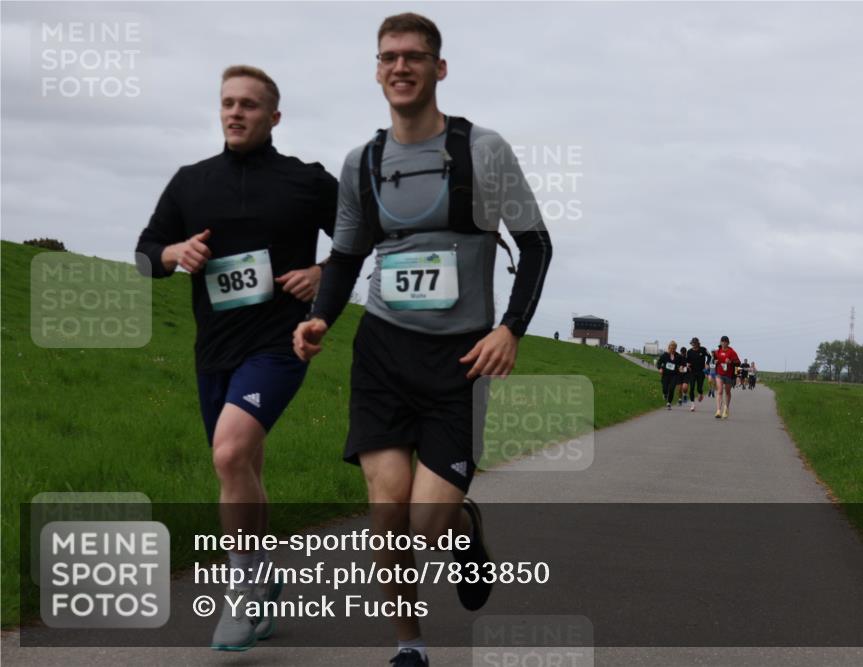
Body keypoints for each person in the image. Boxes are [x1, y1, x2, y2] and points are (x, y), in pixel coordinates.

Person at [292, 13, 553, 667]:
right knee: (387, 514)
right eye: (388, 57)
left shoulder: (482, 151)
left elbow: (536, 244)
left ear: (439, 68)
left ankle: (464, 528)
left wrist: (510, 328)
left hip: (459, 360)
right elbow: (346, 256)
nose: (400, 66)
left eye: (413, 56)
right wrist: (322, 316)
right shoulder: (363, 163)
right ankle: (409, 644)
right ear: (377, 70)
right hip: (383, 351)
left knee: (425, 526)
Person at [135, 66, 338, 651]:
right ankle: (265, 579)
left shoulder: (307, 181)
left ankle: (243, 592)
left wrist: (322, 273)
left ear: (274, 117)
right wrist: (175, 252)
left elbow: (362, 241)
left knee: (228, 452)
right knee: (241, 466)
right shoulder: (190, 182)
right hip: (214, 348)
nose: (235, 112)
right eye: (227, 102)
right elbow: (145, 257)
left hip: (280, 343)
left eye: (249, 104)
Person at [713, 335, 741, 419]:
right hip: (719, 374)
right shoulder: (717, 352)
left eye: (726, 342)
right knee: (720, 390)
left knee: (727, 392)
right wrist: (714, 362)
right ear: (720, 342)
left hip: (729, 375)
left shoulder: (732, 352)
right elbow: (713, 361)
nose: (724, 343)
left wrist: (731, 362)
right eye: (722, 341)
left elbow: (738, 364)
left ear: (728, 343)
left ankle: (726, 408)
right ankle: (718, 410)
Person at [684, 337, 712, 411]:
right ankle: (692, 404)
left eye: (695, 343)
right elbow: (686, 360)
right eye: (692, 343)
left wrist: (707, 363)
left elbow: (709, 356)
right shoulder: (689, 351)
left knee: (699, 388)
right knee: (692, 387)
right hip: (692, 372)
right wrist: (687, 365)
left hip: (701, 371)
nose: (694, 344)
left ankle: (700, 393)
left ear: (698, 343)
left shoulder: (703, 349)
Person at [656, 341, 684, 409]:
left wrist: (681, 367)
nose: (672, 350)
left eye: (674, 348)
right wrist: (660, 369)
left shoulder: (678, 356)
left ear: (676, 348)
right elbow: (658, 363)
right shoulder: (665, 355)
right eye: (671, 348)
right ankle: (665, 394)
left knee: (672, 388)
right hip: (665, 374)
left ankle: (669, 403)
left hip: (674, 375)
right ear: (669, 347)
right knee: (665, 388)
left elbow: (682, 363)